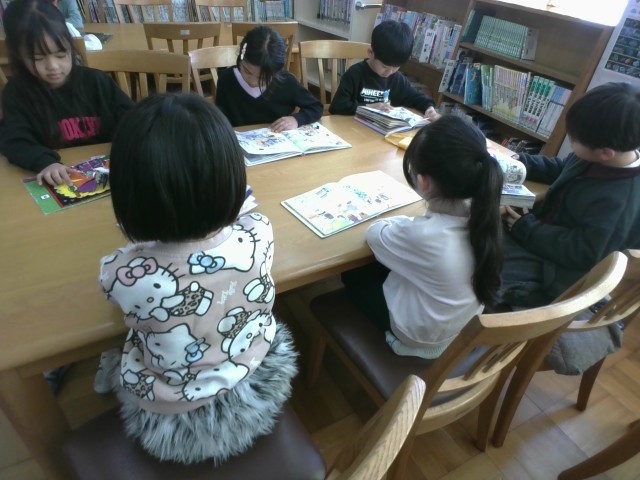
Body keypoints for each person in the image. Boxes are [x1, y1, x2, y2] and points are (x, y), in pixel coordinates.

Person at [99, 93, 298, 465]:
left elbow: (119, 296)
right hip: (256, 377)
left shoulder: (122, 272)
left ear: (129, 195)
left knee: (130, 339)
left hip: (171, 418)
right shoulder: (259, 230)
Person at [342, 115, 503, 359]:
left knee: (353, 274)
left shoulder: (426, 235)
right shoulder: (484, 212)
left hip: (421, 335)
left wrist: (403, 222)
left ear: (423, 182)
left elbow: (375, 233)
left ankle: (399, 343)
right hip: (460, 322)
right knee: (396, 266)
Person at [501, 82, 640, 308]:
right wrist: (522, 162)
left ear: (606, 153)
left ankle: (527, 303)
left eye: (573, 140)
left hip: (560, 273)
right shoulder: (597, 154)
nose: (571, 140)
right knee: (479, 234)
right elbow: (562, 168)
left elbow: (584, 252)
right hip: (540, 234)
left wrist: (527, 229)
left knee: (481, 264)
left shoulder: (620, 202)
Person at [0, 0, 133, 188]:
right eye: (38, 58)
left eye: (61, 55)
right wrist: (45, 162)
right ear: (19, 57)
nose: (53, 66)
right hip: (57, 180)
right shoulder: (16, 93)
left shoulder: (97, 82)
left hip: (110, 176)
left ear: (70, 46)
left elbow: (133, 120)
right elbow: (14, 141)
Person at [215, 25, 323, 132]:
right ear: (241, 57)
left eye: (263, 78)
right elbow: (219, 117)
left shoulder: (286, 82)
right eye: (247, 72)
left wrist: (296, 119)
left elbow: (316, 107)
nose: (253, 82)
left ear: (276, 72)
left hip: (277, 138)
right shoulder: (226, 79)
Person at [329, 20, 440, 121]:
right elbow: (337, 106)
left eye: (395, 67)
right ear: (371, 53)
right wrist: (368, 107)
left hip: (383, 131)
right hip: (354, 128)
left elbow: (416, 98)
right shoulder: (355, 74)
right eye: (385, 67)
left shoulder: (397, 80)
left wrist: (429, 108)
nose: (389, 72)